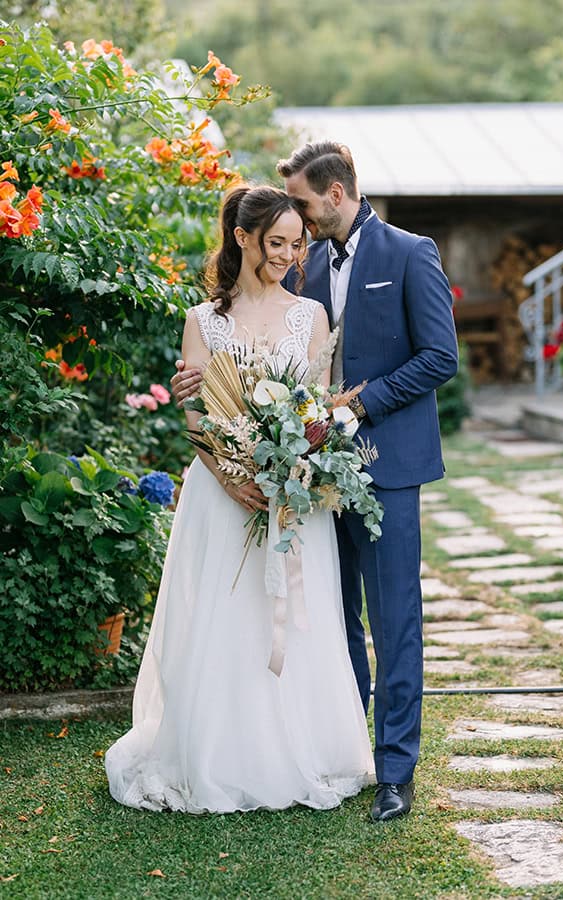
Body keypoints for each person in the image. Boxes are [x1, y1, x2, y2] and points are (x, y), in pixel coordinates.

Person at [171, 143, 458, 823]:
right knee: (331, 616)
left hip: (384, 468)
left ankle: (395, 771)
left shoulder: (408, 254)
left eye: (299, 201)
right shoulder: (311, 261)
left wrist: (354, 405)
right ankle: (346, 746)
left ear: (333, 192)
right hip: (309, 477)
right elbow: (259, 347)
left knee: (394, 620)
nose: (291, 218)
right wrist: (206, 394)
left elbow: (440, 356)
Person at [105, 185, 375, 814]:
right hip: (221, 492)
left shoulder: (312, 318)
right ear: (243, 238)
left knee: (289, 620)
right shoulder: (204, 321)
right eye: (275, 242)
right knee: (225, 619)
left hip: (290, 493)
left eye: (295, 244)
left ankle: (301, 748)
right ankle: (218, 753)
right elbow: (196, 414)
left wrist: (296, 465)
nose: (286, 254)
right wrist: (231, 476)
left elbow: (320, 409)